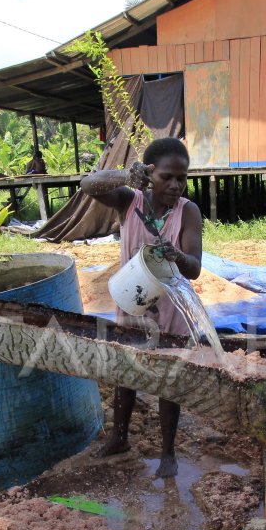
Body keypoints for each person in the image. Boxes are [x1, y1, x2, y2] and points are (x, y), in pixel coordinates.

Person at [79, 137, 203, 478]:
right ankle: (119, 438)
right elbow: (87, 184)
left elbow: (194, 268)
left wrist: (177, 256)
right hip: (132, 301)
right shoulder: (128, 201)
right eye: (167, 177)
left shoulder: (187, 212)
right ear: (149, 175)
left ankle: (167, 453)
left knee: (168, 382)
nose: (176, 185)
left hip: (169, 312)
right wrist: (124, 175)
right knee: (125, 375)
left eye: (182, 177)